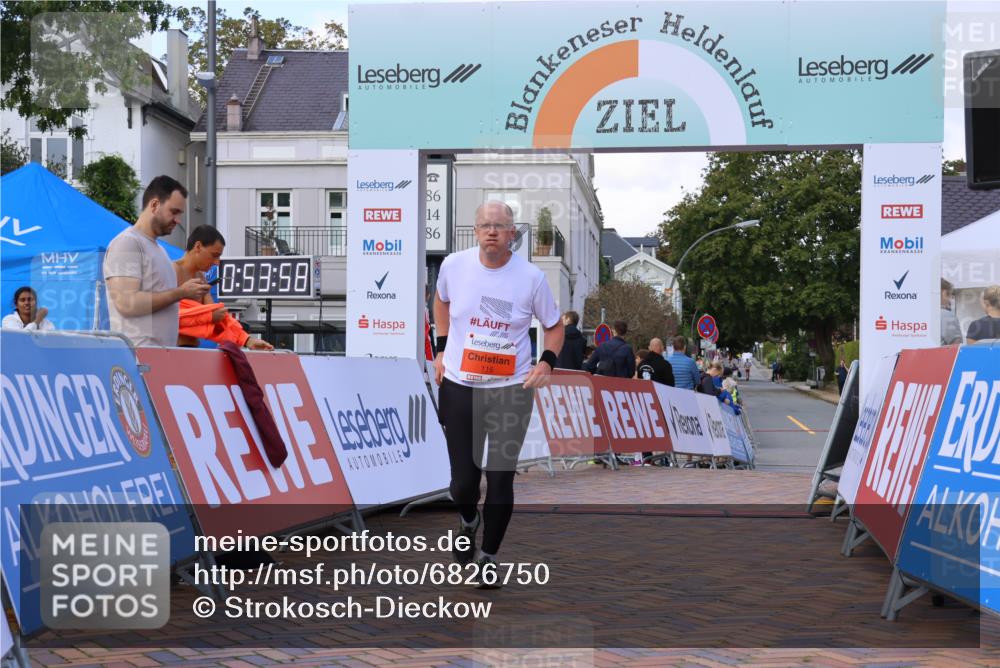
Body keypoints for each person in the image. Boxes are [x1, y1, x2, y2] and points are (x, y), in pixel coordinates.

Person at [433, 200, 563, 586]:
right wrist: (441, 349)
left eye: (500, 226)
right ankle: (468, 519)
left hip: (510, 390)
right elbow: (440, 302)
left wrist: (546, 363)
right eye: (485, 225)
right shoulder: (454, 266)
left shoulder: (531, 278)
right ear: (475, 231)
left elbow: (554, 326)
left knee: (501, 478)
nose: (492, 231)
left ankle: (488, 557)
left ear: (512, 234)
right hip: (460, 385)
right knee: (463, 484)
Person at [104, 176, 209, 346]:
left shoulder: (159, 250)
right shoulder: (127, 243)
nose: (178, 220)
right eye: (174, 212)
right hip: (138, 354)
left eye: (180, 214)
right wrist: (180, 293)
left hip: (157, 354)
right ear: (154, 205)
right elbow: (126, 303)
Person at [174, 225, 273, 350]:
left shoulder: (201, 277)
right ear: (198, 246)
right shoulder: (172, 271)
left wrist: (247, 340)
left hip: (188, 350)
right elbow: (167, 316)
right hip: (169, 349)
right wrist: (209, 316)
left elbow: (218, 318)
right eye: (214, 255)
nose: (217, 262)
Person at [940, 278, 963, 345]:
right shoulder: (947, 315)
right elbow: (956, 344)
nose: (950, 300)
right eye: (950, 295)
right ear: (944, 293)